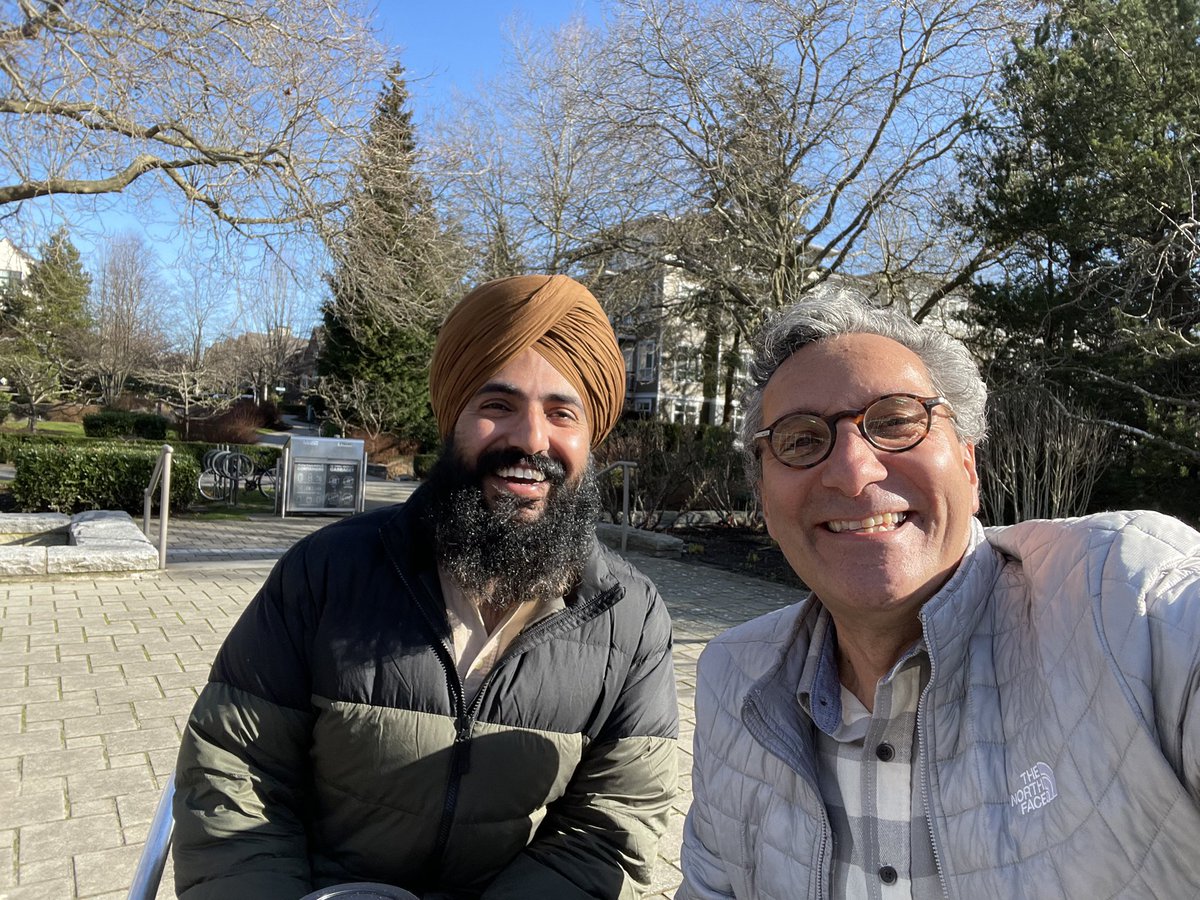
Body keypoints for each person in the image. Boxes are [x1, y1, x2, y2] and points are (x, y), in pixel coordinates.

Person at [173, 274, 679, 899]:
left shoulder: (630, 620)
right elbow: (233, 775)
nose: (530, 438)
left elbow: (610, 828)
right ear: (453, 418)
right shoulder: (326, 574)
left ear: (590, 435)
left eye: (561, 413)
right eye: (497, 406)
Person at [677, 294, 1200, 899]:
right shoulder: (732, 679)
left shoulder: (1126, 603)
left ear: (970, 466)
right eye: (799, 440)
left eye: (897, 421)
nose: (853, 470)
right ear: (765, 501)